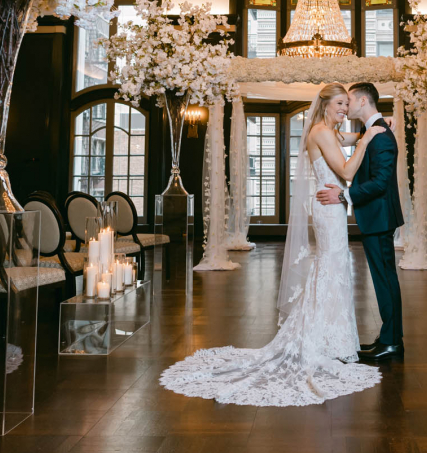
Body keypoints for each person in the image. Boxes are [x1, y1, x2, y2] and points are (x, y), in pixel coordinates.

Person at [158, 83, 384, 406]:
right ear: (324, 105)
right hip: (329, 208)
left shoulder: (330, 132)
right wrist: (370, 140)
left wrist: (369, 132)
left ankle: (332, 339)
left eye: (346, 105)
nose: (344, 110)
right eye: (339, 104)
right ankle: (324, 340)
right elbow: (347, 170)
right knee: (332, 267)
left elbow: (351, 139)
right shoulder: (320, 132)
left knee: (332, 268)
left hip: (333, 207)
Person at [316, 82, 405, 362]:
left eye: (349, 100)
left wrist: (344, 195)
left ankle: (392, 342)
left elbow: (380, 183)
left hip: (379, 218)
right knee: (383, 280)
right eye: (340, 102)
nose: (346, 105)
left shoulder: (380, 136)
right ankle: (388, 337)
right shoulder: (372, 130)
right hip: (375, 217)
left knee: (385, 281)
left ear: (363, 101)